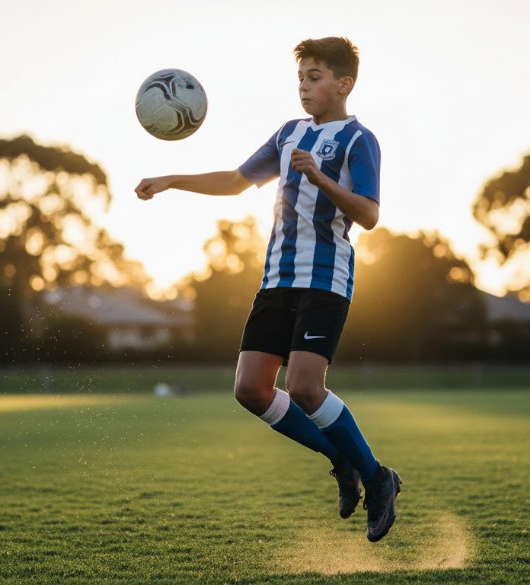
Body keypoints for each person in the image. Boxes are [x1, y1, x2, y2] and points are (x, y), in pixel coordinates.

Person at [135, 37, 401, 542]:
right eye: (301, 77)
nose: (304, 86)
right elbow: (237, 181)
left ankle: (377, 478)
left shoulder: (358, 140)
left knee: (303, 387)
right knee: (250, 390)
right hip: (276, 281)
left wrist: (320, 178)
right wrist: (171, 179)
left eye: (316, 76)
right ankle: (341, 457)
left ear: (344, 84)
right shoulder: (288, 134)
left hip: (325, 281)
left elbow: (368, 215)